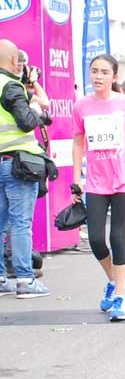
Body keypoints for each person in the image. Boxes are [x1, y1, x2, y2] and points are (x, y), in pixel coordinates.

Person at [71, 54, 125, 321]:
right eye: (94, 71)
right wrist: (77, 177)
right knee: (96, 239)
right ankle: (114, 280)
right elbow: (77, 142)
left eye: (104, 72)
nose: (98, 76)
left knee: (117, 237)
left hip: (123, 178)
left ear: (114, 77)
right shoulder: (81, 106)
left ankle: (120, 296)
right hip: (96, 181)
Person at [0, 39, 50, 298]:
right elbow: (27, 121)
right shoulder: (11, 87)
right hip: (16, 164)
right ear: (13, 62)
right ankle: (24, 280)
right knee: (20, 223)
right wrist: (33, 108)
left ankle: (0, 279)